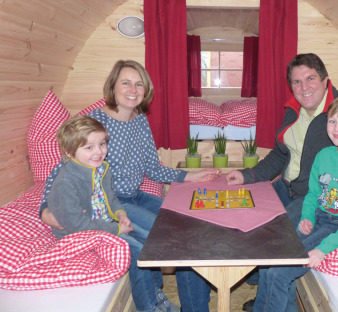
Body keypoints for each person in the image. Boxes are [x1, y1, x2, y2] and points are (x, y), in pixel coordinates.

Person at [178, 53, 338, 312]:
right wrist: (247, 175)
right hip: (285, 186)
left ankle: (269, 295)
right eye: (296, 82)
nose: (304, 87)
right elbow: (280, 153)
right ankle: (261, 283)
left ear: (326, 80)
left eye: (310, 78)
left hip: (307, 196)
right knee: (244, 217)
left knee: (276, 243)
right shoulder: (293, 111)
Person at [39, 60, 219, 312]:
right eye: (126, 83)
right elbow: (62, 170)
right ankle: (158, 302)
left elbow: (152, 168)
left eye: (139, 84)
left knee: (189, 223)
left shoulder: (140, 119)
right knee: (174, 240)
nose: (133, 90)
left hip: (135, 196)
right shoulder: (95, 122)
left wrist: (191, 176)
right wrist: (45, 209)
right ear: (112, 86)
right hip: (113, 201)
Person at [253, 92, 338, 311]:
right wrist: (307, 217)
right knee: (269, 258)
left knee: (279, 272)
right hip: (318, 215)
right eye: (332, 121)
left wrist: (323, 249)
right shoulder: (323, 155)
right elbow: (313, 194)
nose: (336, 128)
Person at [47, 115, 174, 312]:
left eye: (102, 144)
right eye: (89, 147)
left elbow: (111, 198)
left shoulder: (101, 169)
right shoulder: (66, 182)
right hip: (82, 234)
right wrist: (116, 228)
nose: (99, 152)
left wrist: (120, 214)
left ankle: (155, 291)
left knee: (150, 240)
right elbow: (77, 224)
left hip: (105, 223)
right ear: (70, 151)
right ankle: (148, 307)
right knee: (137, 250)